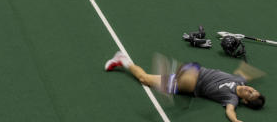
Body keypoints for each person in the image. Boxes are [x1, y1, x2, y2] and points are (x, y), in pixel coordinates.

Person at [104, 50, 265, 120]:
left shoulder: (232, 99)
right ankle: (175, 71)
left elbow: (230, 112)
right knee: (188, 81)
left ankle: (121, 59)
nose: (249, 89)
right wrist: (253, 71)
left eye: (250, 94)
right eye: (253, 89)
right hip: (195, 73)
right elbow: (243, 70)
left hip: (189, 85)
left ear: (244, 101)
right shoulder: (240, 81)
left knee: (144, 79)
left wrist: (236, 121)